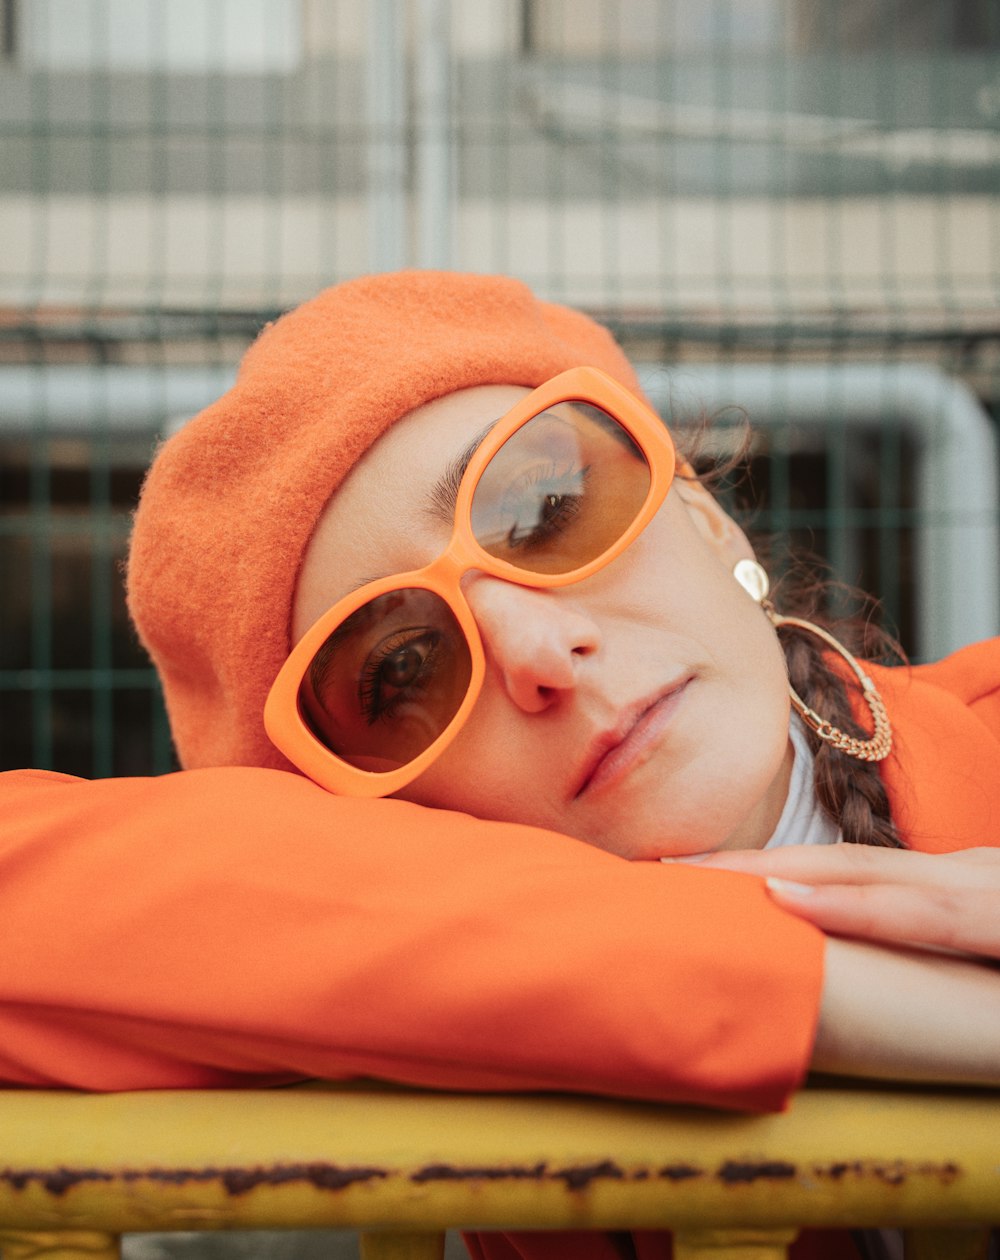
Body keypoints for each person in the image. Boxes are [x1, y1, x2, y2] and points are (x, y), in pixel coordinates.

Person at [1, 272, 998, 1258]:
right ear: (342, 821)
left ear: (703, 515)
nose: (537, 650)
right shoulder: (396, 989)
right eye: (401, 668)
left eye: (548, 504)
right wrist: (805, 984)